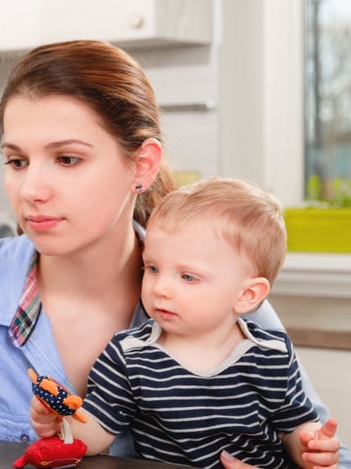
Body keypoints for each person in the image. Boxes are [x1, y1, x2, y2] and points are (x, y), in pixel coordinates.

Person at [0, 40, 351, 469]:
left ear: (142, 165)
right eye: (16, 160)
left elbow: (319, 446)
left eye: (68, 159)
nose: (31, 190)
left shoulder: (218, 287)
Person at [32, 177, 341, 469]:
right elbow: (99, 427)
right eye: (152, 268)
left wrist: (311, 448)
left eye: (187, 276)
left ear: (247, 295)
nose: (160, 287)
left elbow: (295, 426)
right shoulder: (129, 354)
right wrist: (65, 425)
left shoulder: (272, 353)